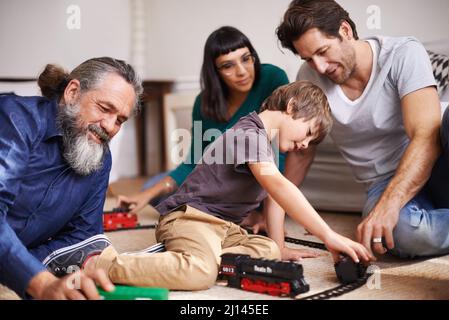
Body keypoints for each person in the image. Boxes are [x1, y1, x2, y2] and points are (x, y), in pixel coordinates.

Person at [83, 81, 374, 291]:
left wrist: (280, 247)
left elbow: (274, 198)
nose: (305, 144)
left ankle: (202, 256)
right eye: (308, 132)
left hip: (224, 230)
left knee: (268, 250)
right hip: (189, 218)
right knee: (200, 274)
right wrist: (328, 235)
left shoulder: (266, 147)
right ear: (292, 106)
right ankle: (105, 264)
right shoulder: (248, 133)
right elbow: (279, 187)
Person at [275, 0, 449, 258]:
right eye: (309, 59)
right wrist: (274, 214)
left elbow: (426, 136)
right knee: (397, 234)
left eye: (323, 51)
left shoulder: (402, 53)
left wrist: (390, 204)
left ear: (345, 30)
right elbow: (302, 153)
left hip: (438, 162)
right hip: (383, 180)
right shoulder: (309, 77)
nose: (320, 67)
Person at [118, 26, 289, 230]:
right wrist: (145, 195)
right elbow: (194, 161)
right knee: (152, 188)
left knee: (183, 200)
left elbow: (280, 151)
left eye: (246, 58)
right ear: (214, 71)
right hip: (221, 180)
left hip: (259, 180)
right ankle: (236, 215)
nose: (242, 71)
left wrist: (267, 214)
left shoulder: (273, 78)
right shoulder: (204, 102)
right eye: (228, 66)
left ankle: (238, 213)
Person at [0, 57, 143, 299]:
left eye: (120, 120)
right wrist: (41, 282)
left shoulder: (100, 160)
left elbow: (81, 237)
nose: (110, 126)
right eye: (105, 108)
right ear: (73, 92)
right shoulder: (15, 119)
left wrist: (25, 270)